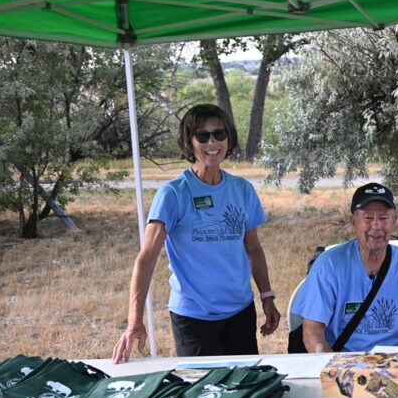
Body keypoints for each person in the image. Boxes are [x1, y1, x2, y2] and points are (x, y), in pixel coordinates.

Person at [112, 104, 281, 363]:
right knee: (204, 387)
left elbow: (253, 248)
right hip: (193, 317)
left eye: (219, 134)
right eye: (202, 136)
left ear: (229, 139)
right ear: (189, 143)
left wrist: (267, 296)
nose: (212, 142)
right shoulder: (173, 193)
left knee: (245, 383)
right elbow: (146, 258)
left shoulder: (242, 189)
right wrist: (134, 321)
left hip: (240, 311)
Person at [294, 182, 398, 352]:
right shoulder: (328, 265)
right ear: (353, 221)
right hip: (342, 361)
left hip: (394, 362)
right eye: (368, 218)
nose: (376, 226)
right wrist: (333, 366)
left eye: (383, 218)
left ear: (394, 221)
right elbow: (312, 331)